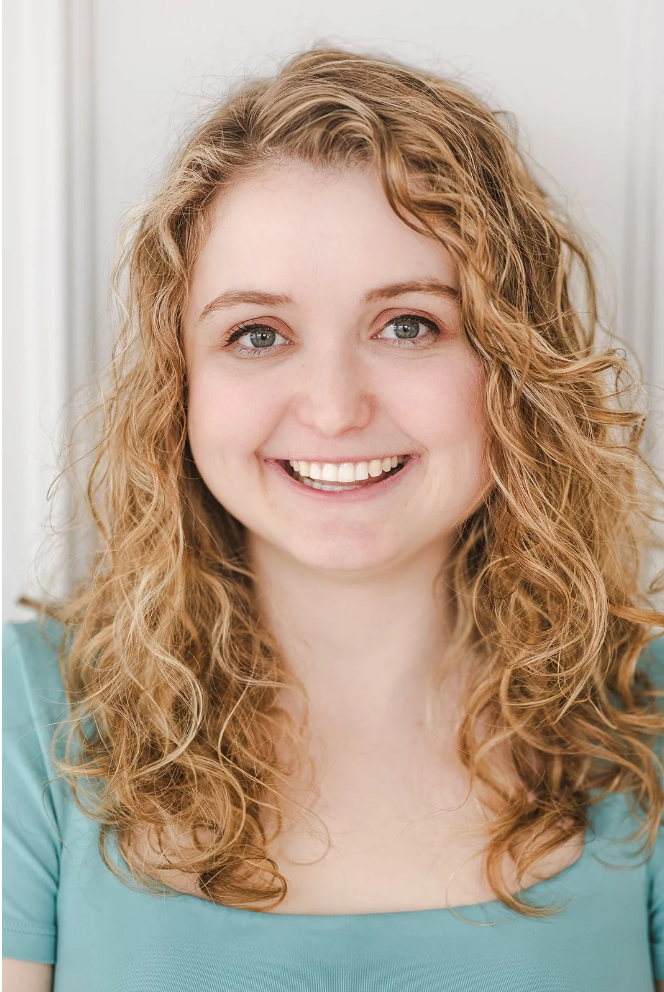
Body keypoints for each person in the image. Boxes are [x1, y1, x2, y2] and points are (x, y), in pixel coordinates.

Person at [3, 47, 664, 992]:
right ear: (177, 386)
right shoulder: (28, 725)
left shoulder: (650, 723)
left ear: (515, 368)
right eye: (257, 334)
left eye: (408, 325)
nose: (334, 407)